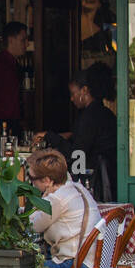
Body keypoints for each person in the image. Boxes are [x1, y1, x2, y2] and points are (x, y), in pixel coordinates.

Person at [35, 68, 117, 201]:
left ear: (84, 90)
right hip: (110, 179)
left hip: (96, 183)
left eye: (73, 93)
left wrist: (50, 136)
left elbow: (76, 154)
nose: (72, 98)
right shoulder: (103, 112)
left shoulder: (90, 116)